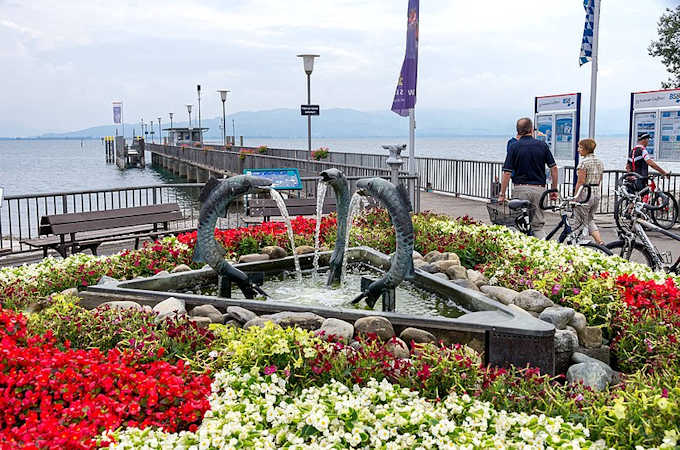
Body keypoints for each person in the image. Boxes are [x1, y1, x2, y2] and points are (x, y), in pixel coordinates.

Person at [498, 117, 558, 239]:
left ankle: (521, 252)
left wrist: (502, 193)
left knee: (519, 224)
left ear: (518, 130)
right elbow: (554, 168)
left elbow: (507, 172)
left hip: (520, 189)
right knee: (538, 225)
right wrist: (553, 190)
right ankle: (543, 251)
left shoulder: (514, 147)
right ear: (531, 129)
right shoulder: (542, 145)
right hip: (539, 190)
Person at [573, 138, 605, 246]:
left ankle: (579, 243)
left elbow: (580, 181)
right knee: (589, 218)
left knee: (580, 221)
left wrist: (575, 197)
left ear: (586, 149)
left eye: (580, 147)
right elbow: (600, 179)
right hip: (596, 192)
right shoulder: (600, 162)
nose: (578, 150)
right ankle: (599, 241)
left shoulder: (583, 163)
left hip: (585, 193)